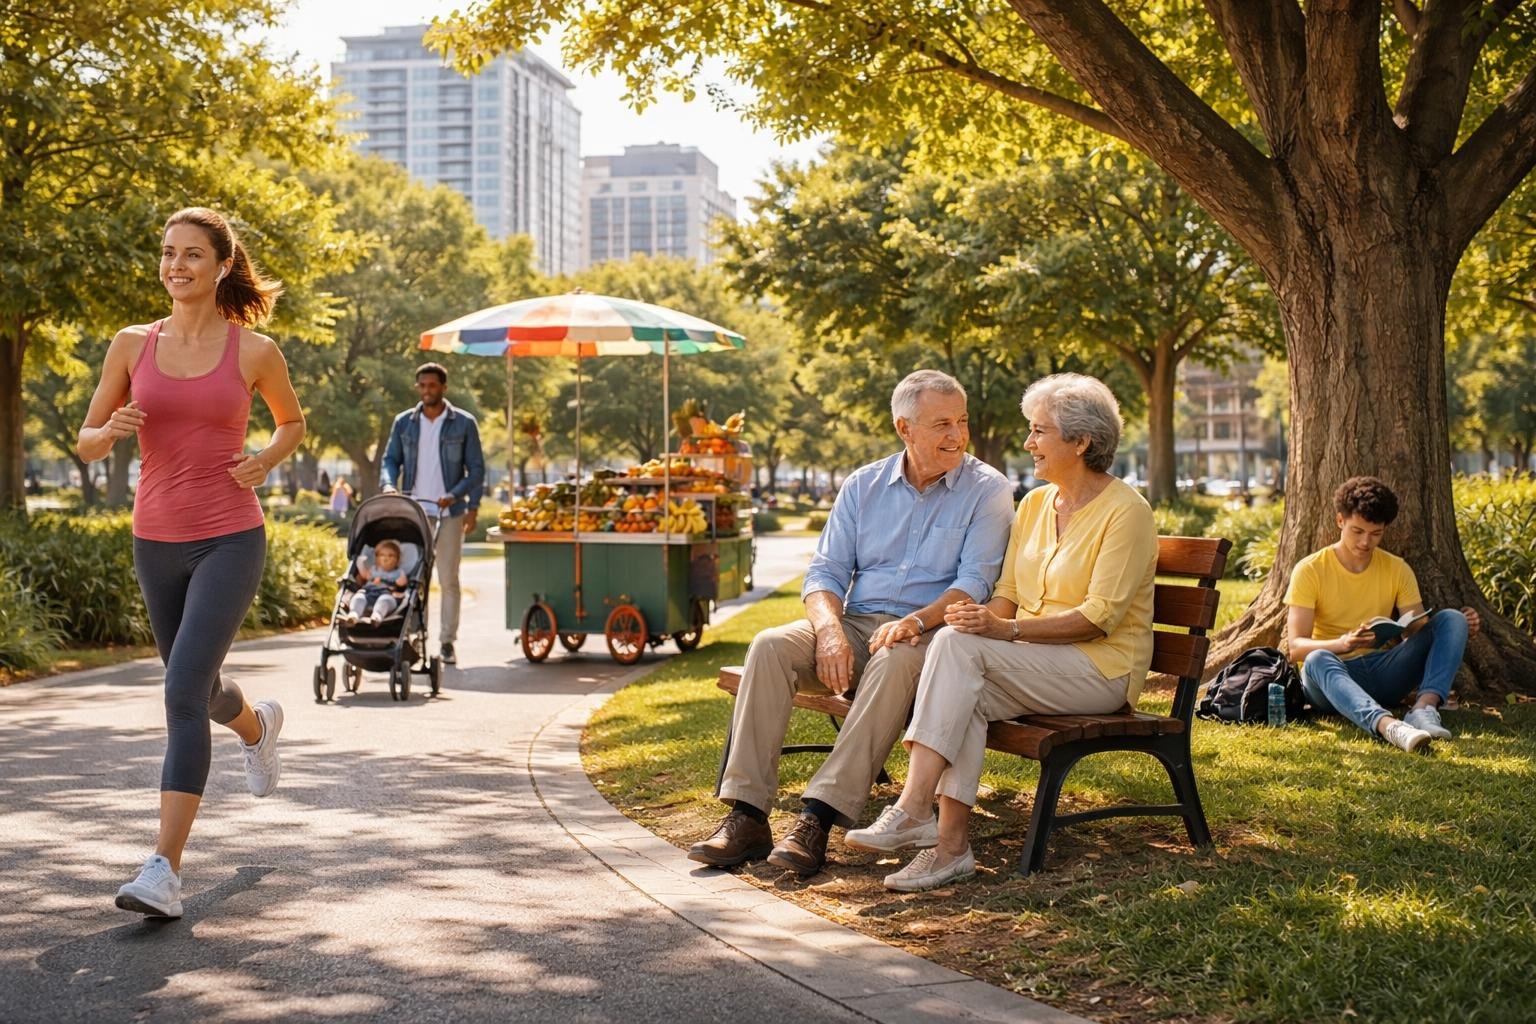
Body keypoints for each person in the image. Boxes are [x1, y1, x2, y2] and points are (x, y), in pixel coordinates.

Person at [690, 369, 1014, 877]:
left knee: (894, 658)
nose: (957, 435)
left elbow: (975, 581)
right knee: (770, 646)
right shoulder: (864, 485)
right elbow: (825, 572)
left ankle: (816, 820)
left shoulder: (987, 489)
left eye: (962, 421)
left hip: (935, 633)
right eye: (942, 424)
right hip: (860, 623)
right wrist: (829, 630)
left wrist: (914, 621)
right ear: (905, 428)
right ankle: (747, 815)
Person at [75, 206, 305, 918]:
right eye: (168, 253)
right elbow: (85, 440)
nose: (176, 266)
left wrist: (264, 460)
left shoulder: (254, 351)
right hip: (156, 540)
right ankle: (258, 727)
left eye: (192, 255)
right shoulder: (130, 345)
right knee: (197, 687)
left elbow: (291, 421)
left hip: (230, 537)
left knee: (179, 693)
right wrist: (108, 430)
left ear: (222, 265)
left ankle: (162, 871)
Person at [845, 373, 1157, 892]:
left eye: (1040, 432)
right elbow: (1007, 589)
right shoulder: (1035, 504)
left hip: (1102, 669)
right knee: (961, 679)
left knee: (957, 652)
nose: (1029, 443)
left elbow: (1099, 617)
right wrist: (981, 620)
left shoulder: (1126, 512)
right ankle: (950, 850)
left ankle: (914, 807)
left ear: (1081, 442)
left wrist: (1002, 630)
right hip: (1036, 662)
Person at [1283, 476, 1479, 753]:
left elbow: (1417, 629)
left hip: (1382, 672)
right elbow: (1295, 648)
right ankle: (1390, 727)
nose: (1365, 542)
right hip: (1330, 680)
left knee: (1452, 619)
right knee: (1316, 658)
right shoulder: (1310, 570)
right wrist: (1344, 644)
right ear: (1340, 521)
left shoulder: (1397, 568)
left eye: (1375, 534)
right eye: (1357, 531)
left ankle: (1423, 710)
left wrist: (1458, 628)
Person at [380, 362, 484, 665]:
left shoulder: (464, 423)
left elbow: (476, 470)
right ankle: (414, 636)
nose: (427, 391)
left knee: (448, 579)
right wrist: (388, 485)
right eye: (422, 386)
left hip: (449, 513)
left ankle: (447, 642)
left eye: (433, 386)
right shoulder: (404, 423)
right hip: (414, 511)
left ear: (444, 388)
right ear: (418, 388)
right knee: (413, 578)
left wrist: (457, 496)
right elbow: (390, 460)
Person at [346, 540, 408, 624]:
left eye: (391, 556)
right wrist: (360, 563)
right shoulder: (373, 569)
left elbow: (403, 583)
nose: (386, 558)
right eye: (382, 555)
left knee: (384, 600)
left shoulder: (399, 572)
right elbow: (364, 575)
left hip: (387, 593)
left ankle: (377, 616)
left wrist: (399, 583)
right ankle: (354, 614)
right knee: (358, 597)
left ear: (398, 559)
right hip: (368, 593)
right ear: (377, 558)